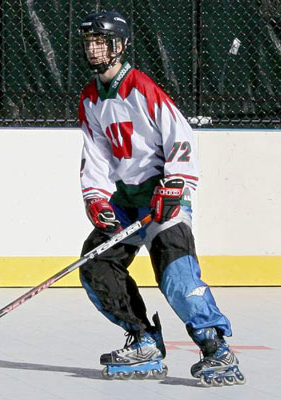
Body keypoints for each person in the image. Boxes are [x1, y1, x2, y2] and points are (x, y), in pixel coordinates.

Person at [77, 11, 245, 386]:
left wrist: (175, 185)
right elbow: (96, 154)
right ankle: (145, 341)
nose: (94, 48)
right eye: (89, 42)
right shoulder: (90, 99)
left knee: (175, 273)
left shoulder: (141, 88)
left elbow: (181, 137)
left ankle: (216, 348)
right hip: (126, 199)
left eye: (101, 41)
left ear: (119, 46)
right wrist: (97, 198)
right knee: (96, 265)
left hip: (163, 194)